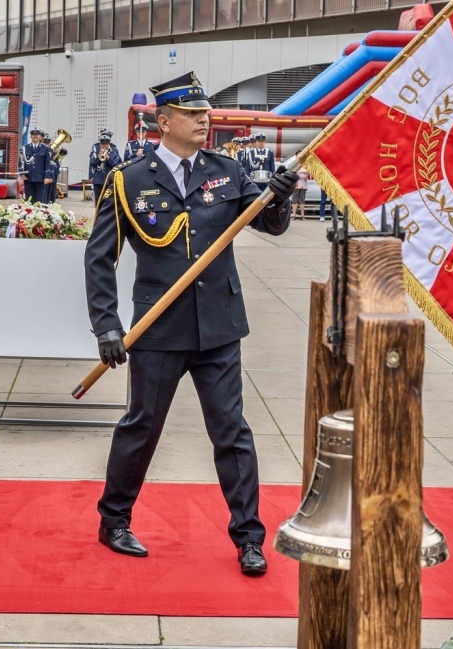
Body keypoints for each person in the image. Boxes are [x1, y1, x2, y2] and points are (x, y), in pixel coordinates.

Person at [84, 71, 298, 576]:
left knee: (232, 432)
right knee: (141, 427)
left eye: (205, 113)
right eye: (192, 114)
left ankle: (249, 537)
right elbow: (100, 258)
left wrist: (280, 195)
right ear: (164, 121)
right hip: (158, 331)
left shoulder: (226, 171)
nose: (205, 120)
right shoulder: (127, 180)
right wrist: (106, 326)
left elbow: (269, 222)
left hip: (219, 328)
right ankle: (113, 520)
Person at [88, 130, 121, 203]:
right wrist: (98, 157)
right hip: (98, 180)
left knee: (109, 202)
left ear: (109, 143)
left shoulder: (114, 150)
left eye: (106, 144)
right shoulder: (95, 149)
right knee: (98, 202)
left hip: (109, 180)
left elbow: (116, 164)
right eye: (102, 143)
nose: (104, 146)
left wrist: (108, 158)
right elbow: (92, 163)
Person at [20, 128, 52, 202]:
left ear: (40, 137)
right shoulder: (25, 148)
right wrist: (21, 174)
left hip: (40, 178)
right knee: (29, 200)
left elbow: (47, 164)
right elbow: (20, 162)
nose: (35, 136)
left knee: (39, 200)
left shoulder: (45, 149)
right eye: (33, 135)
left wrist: (47, 177)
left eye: (37, 135)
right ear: (30, 136)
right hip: (28, 178)